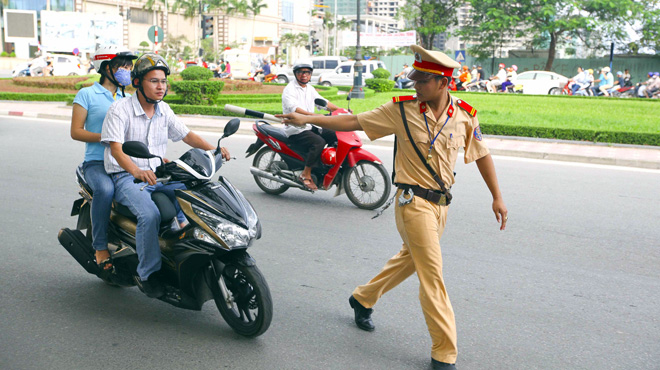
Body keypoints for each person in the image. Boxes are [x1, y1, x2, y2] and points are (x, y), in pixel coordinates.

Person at [278, 45, 508, 370]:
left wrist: (496, 196)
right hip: (412, 203)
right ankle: (444, 353)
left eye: (422, 80)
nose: (414, 85)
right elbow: (354, 120)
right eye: (414, 78)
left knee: (411, 261)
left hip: (442, 205)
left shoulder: (465, 115)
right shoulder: (401, 110)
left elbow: (482, 153)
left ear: (443, 83)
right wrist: (306, 117)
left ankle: (362, 298)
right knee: (432, 275)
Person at [101, 53, 230, 298]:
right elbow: (116, 149)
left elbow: (186, 135)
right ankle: (147, 274)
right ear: (138, 83)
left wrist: (212, 149)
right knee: (149, 214)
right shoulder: (120, 109)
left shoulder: (164, 110)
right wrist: (137, 170)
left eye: (163, 81)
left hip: (159, 174)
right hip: (127, 177)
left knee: (196, 195)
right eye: (154, 81)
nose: (161, 87)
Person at [70, 45, 138, 273]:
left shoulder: (127, 98)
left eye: (129, 66)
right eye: (122, 65)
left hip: (122, 161)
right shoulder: (87, 94)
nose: (127, 70)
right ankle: (100, 247)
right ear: (106, 67)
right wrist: (107, 138)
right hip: (96, 163)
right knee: (106, 191)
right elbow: (76, 131)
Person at [281, 59, 341, 191]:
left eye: (307, 72)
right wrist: (314, 116)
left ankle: (327, 165)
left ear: (310, 74)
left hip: (310, 125)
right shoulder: (289, 90)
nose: (304, 75)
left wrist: (340, 111)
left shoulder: (310, 89)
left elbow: (324, 103)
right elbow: (295, 109)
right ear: (295, 73)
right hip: (295, 128)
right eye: (301, 72)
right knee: (318, 142)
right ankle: (305, 174)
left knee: (335, 134)